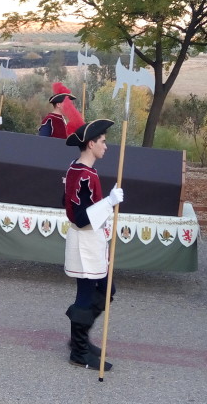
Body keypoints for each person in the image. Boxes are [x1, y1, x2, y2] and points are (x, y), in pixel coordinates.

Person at [63, 119, 123, 371]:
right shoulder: (81, 174)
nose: (106, 147)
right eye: (103, 142)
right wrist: (109, 202)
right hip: (84, 240)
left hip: (92, 238)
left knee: (106, 289)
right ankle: (79, 350)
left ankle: (80, 339)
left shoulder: (80, 169)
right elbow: (79, 216)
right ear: (91, 143)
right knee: (86, 295)